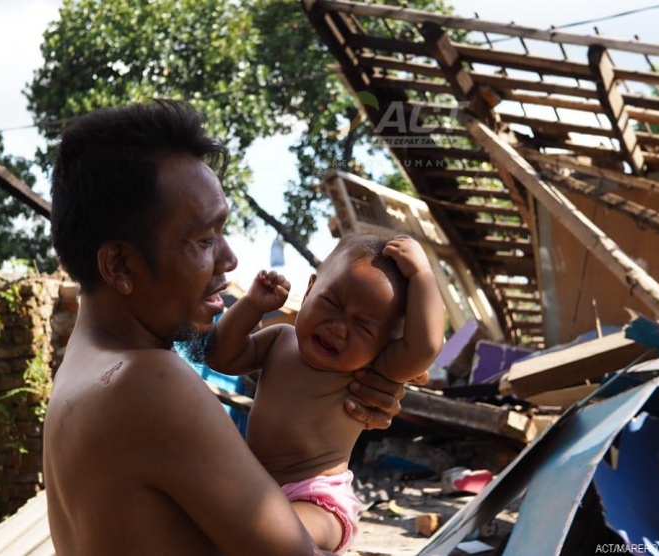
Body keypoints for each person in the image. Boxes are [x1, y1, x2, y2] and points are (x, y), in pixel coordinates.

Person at [43, 99, 428, 556]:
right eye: (205, 239)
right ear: (120, 264)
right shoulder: (146, 382)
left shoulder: (81, 372)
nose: (229, 259)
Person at [207, 232, 446, 553]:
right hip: (256, 486)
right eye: (331, 304)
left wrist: (422, 275)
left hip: (316, 498)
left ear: (385, 342)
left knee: (269, 534)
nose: (338, 327)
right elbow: (221, 355)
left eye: (363, 326)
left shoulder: (371, 368)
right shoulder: (280, 339)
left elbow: (425, 346)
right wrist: (252, 305)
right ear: (309, 290)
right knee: (230, 525)